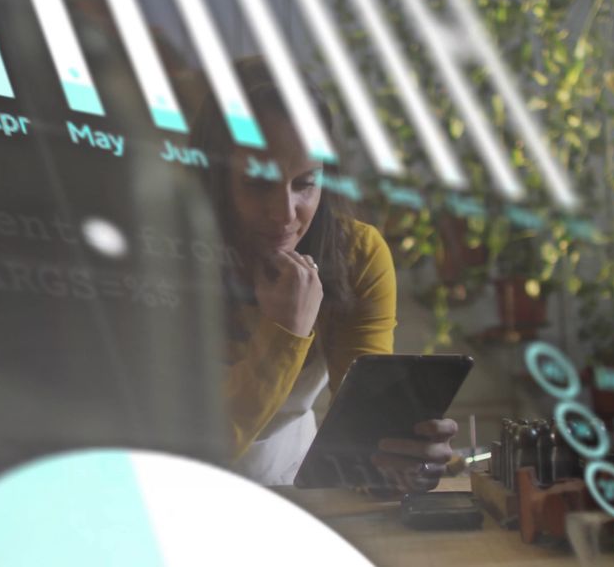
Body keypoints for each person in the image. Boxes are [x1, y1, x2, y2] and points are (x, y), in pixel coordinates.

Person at [192, 58, 458, 491]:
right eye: (258, 184)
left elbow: (366, 427)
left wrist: (407, 458)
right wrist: (285, 331)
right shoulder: (165, 258)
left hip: (294, 495)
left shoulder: (355, 255)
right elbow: (193, 449)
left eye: (305, 183)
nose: (285, 214)